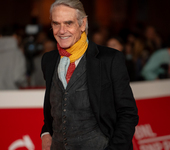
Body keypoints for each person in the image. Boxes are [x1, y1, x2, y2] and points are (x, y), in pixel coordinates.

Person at [40, 0, 139, 150]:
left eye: (68, 23)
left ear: (82, 24)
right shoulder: (49, 60)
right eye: (56, 24)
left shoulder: (109, 59)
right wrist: (46, 132)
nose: (61, 31)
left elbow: (127, 113)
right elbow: (54, 106)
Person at [0, 25, 27, 90]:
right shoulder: (16, 54)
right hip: (11, 94)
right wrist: (25, 84)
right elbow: (18, 77)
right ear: (14, 36)